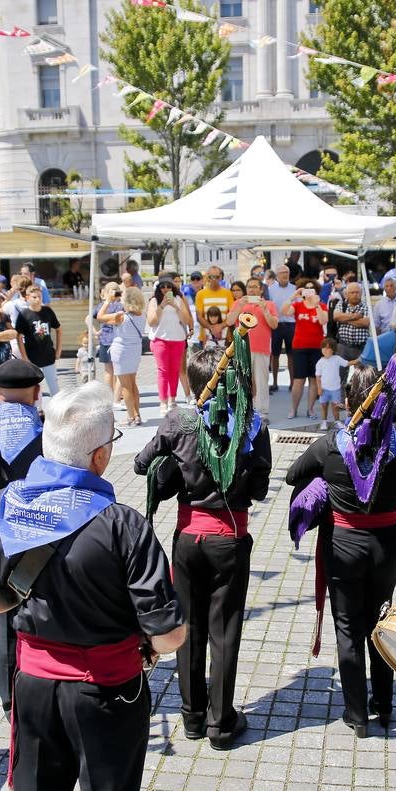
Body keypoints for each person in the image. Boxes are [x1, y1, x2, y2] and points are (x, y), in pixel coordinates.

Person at [0, 382, 185, 791]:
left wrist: (20, 599)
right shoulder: (124, 525)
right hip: (108, 689)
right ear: (100, 456)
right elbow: (168, 635)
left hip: (34, 686)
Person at [134, 346, 270, 748]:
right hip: (229, 537)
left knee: (188, 628)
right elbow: (260, 489)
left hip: (188, 539)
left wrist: (178, 458)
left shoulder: (180, 419)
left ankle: (192, 717)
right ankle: (220, 724)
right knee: (224, 632)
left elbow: (142, 464)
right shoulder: (251, 425)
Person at [287, 362, 396, 736]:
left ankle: (356, 714)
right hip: (386, 542)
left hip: (342, 543)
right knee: (379, 620)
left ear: (348, 401)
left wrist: (325, 482)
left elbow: (292, 474)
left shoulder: (332, 444)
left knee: (347, 626)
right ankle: (385, 702)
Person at [0, 357, 46, 718]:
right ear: (36, 393)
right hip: (41, 535)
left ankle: (9, 699)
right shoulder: (43, 430)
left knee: (4, 615)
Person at [227, 277, 277, 417]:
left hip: (261, 348)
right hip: (242, 348)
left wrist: (265, 310)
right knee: (242, 381)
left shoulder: (269, 304)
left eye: (255, 287)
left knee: (261, 381)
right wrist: (239, 305)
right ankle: (243, 411)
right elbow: (230, 321)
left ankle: (262, 413)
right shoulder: (238, 303)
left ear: (261, 289)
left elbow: (274, 325)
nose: (252, 289)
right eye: (249, 286)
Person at [148, 276, 194, 412]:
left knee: (175, 371)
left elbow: (186, 320)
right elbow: (151, 322)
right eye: (163, 286)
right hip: (160, 339)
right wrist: (162, 306)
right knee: (163, 371)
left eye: (168, 286)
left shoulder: (178, 300)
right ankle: (163, 402)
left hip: (178, 339)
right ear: (158, 288)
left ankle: (172, 400)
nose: (166, 289)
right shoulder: (154, 301)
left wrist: (176, 306)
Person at [283, 282, 328, 420]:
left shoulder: (322, 306)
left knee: (314, 379)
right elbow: (284, 311)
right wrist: (293, 296)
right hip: (300, 346)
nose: (308, 291)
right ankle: (293, 409)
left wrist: (316, 305)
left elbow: (323, 321)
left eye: (311, 288)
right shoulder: (297, 305)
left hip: (316, 347)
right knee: (299, 380)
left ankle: (310, 409)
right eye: (306, 288)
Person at [107, 286, 148, 426]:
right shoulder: (142, 315)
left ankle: (131, 417)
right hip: (135, 351)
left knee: (125, 386)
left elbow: (100, 316)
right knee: (132, 384)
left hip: (121, 352)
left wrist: (108, 301)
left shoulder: (121, 316)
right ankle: (137, 415)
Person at [13, 283, 62, 397]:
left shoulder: (47, 311)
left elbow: (59, 329)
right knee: (34, 390)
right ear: (27, 298)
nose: (38, 299)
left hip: (48, 355)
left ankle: (57, 412)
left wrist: (58, 350)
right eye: (34, 297)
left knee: (54, 387)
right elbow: (19, 336)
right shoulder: (24, 315)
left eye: (40, 296)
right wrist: (24, 357)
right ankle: (36, 412)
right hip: (32, 357)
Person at [268, 264, 299, 393]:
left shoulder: (295, 289)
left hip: (291, 324)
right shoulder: (270, 289)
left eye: (286, 272)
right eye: (281, 272)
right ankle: (274, 382)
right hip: (276, 325)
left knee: (291, 354)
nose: (284, 275)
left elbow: (297, 305)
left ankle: (292, 382)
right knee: (274, 355)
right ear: (277, 275)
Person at [95, 282, 124, 392]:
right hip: (117, 340)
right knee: (118, 370)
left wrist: (95, 332)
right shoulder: (121, 306)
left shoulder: (101, 306)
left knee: (108, 371)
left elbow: (90, 317)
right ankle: (118, 394)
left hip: (105, 340)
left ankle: (109, 393)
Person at [331, 281, 370, 362]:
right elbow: (336, 317)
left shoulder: (366, 305)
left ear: (361, 293)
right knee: (340, 372)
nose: (355, 295)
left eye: (357, 292)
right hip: (343, 346)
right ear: (347, 294)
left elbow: (366, 322)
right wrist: (355, 316)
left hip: (361, 347)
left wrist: (344, 319)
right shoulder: (341, 304)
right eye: (352, 292)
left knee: (361, 372)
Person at [314, 339, 348, 430]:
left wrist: (359, 360)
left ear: (333, 350)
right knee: (324, 405)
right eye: (323, 347)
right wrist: (319, 388)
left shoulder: (337, 359)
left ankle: (337, 421)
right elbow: (318, 377)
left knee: (335, 406)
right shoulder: (320, 362)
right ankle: (324, 422)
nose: (325, 350)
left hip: (335, 389)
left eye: (328, 348)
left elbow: (347, 363)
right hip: (324, 389)